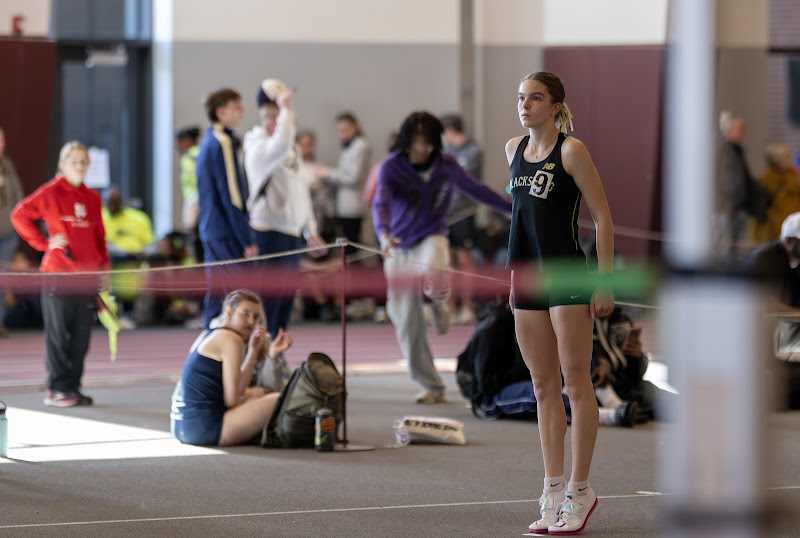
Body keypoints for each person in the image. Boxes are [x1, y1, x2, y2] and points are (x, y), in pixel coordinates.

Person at [506, 72, 614, 535]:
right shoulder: (512, 150)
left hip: (568, 275)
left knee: (575, 384)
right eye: (521, 98)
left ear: (555, 106)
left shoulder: (571, 151)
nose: (525, 105)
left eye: (535, 98)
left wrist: (603, 282)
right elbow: (520, 220)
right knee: (542, 386)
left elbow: (603, 219)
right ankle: (551, 490)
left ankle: (580, 489)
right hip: (526, 279)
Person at [372, 111, 511, 404]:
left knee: (435, 263)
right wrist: (383, 234)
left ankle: (438, 302)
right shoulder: (391, 166)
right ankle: (431, 384)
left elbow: (476, 189)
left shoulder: (446, 165)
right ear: (407, 140)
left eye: (428, 141)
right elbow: (380, 201)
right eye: (418, 141)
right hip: (397, 244)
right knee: (406, 321)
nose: (423, 147)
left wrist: (512, 208)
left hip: (431, 234)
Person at [11, 141, 110, 407]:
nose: (79, 165)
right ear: (62, 164)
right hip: (58, 275)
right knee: (58, 336)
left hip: (86, 279)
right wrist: (44, 244)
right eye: (74, 160)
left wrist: (105, 270)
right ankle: (56, 389)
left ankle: (73, 386)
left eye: (83, 161)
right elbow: (19, 215)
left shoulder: (92, 198)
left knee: (81, 337)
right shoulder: (51, 192)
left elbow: (100, 237)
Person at [243, 78, 324, 339]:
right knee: (268, 299)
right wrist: (287, 110)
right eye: (274, 113)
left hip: (290, 233)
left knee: (286, 298)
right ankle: (257, 356)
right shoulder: (256, 145)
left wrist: (309, 229)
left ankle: (275, 354)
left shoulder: (291, 148)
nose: (279, 119)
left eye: (281, 113)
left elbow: (300, 189)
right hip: (268, 232)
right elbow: (277, 145)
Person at [170, 289, 292, 446]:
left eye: (256, 317)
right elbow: (233, 400)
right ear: (229, 313)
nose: (251, 322)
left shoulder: (208, 333)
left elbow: (239, 388)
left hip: (182, 426)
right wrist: (251, 394)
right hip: (204, 429)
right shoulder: (231, 339)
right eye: (245, 314)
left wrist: (253, 352)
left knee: (257, 397)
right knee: (278, 399)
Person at [196, 88, 258, 329]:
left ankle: (208, 351)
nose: (242, 111)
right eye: (236, 106)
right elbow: (232, 195)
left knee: (218, 293)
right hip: (224, 231)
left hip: (212, 228)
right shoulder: (222, 142)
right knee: (234, 296)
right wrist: (245, 238)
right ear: (221, 112)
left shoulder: (209, 140)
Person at [743, 211, 800, 409]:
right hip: (753, 333)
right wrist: (795, 313)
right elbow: (762, 300)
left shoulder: (790, 261)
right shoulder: (767, 258)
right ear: (791, 240)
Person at [440, 113, 482, 325]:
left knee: (465, 261)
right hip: (444, 216)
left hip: (464, 213)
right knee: (447, 261)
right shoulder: (445, 152)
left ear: (449, 129)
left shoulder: (473, 151)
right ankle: (449, 306)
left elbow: (463, 181)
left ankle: (467, 306)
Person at [319, 112, 371, 254]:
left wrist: (328, 173)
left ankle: (352, 275)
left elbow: (353, 178)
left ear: (355, 127)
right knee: (346, 246)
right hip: (344, 205)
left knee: (351, 248)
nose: (342, 133)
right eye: (339, 130)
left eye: (345, 129)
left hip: (353, 206)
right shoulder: (349, 146)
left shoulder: (360, 145)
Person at [714, 111, 760, 263]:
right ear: (730, 129)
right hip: (726, 205)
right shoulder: (722, 150)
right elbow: (720, 178)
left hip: (739, 204)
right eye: (739, 128)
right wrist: (721, 203)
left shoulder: (736, 150)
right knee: (725, 243)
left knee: (737, 243)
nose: (742, 132)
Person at [0, 126, 25, 336]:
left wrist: (18, 226)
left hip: (7, 235)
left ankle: (0, 322)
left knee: (2, 280)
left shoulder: (8, 166)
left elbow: (19, 199)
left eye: (2, 139)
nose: (1, 144)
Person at [754, 144, 800, 243]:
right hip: (773, 223)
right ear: (778, 161)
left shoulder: (794, 175)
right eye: (787, 157)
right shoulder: (765, 179)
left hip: (792, 222)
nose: (790, 159)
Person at [175, 126, 203, 263]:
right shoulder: (190, 156)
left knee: (200, 247)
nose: (176, 146)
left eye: (178, 142)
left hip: (197, 208)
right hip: (196, 206)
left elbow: (199, 184)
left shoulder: (192, 157)